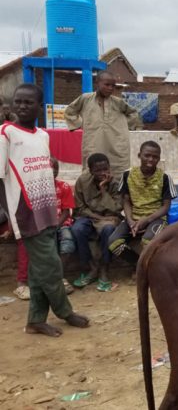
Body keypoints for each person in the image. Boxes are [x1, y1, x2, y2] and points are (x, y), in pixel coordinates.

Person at [0, 83, 89, 337]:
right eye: (18, 101)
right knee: (51, 267)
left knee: (40, 270)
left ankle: (35, 320)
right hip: (24, 211)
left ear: (40, 106)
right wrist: (9, 214)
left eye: (29, 102)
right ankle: (65, 311)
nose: (22, 106)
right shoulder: (6, 133)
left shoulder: (42, 136)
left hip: (47, 207)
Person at [64, 70, 141, 182]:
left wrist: (122, 125)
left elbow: (134, 114)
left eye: (113, 86)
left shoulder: (118, 102)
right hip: (93, 143)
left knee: (118, 175)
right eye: (107, 84)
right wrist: (79, 124)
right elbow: (70, 111)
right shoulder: (85, 99)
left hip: (116, 145)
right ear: (97, 83)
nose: (110, 88)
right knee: (91, 174)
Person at [108, 141, 176, 265]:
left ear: (159, 159)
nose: (151, 159)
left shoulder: (165, 177)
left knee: (148, 242)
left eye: (155, 157)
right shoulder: (127, 174)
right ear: (139, 155)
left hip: (156, 217)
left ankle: (149, 271)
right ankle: (138, 266)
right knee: (113, 243)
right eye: (147, 155)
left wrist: (147, 220)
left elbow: (166, 207)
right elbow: (126, 200)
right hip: (133, 216)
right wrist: (130, 221)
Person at [71, 153, 122, 292]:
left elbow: (116, 208)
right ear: (90, 170)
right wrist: (98, 218)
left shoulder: (115, 183)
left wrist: (103, 189)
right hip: (88, 216)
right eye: (98, 170)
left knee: (109, 229)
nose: (102, 173)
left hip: (109, 217)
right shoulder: (82, 181)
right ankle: (90, 269)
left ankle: (104, 270)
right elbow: (80, 208)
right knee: (77, 229)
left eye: (105, 169)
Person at [50, 157, 76, 295]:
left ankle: (60, 277)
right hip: (44, 226)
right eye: (50, 168)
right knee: (49, 247)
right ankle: (54, 279)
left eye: (55, 168)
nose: (53, 171)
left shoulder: (63, 187)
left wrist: (57, 225)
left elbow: (67, 211)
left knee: (68, 244)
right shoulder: (37, 189)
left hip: (61, 223)